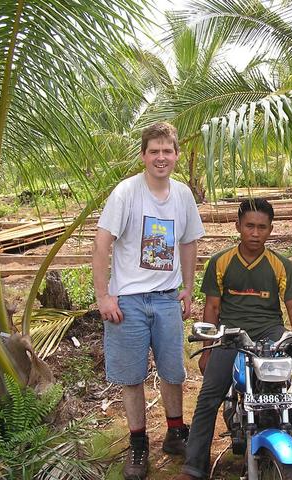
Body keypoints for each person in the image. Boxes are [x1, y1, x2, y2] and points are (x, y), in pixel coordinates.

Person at [93, 122, 205, 480]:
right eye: (154, 151)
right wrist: (103, 296)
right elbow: (101, 244)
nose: (161, 157)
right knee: (132, 377)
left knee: (174, 371)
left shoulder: (183, 195)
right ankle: (138, 444)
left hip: (167, 299)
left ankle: (175, 432)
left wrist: (188, 287)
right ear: (143, 155)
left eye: (167, 151)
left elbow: (188, 242)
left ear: (176, 155)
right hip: (129, 302)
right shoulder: (126, 193)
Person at [178, 198, 292, 480]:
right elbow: (213, 308)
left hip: (270, 331)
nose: (255, 233)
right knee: (208, 397)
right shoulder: (221, 261)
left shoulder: (279, 264)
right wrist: (208, 350)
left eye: (262, 227)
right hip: (231, 334)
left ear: (270, 229)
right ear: (238, 226)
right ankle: (194, 467)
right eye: (249, 226)